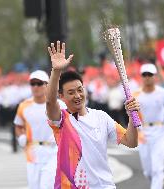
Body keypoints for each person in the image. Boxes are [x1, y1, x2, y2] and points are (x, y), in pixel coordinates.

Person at [46, 41, 139, 189]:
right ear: (61, 96)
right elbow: (50, 102)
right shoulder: (62, 120)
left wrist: (131, 117)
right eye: (71, 92)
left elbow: (131, 141)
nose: (77, 95)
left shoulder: (101, 117)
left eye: (79, 90)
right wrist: (56, 71)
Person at [13, 70, 66, 189]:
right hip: (33, 152)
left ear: (47, 85)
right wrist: (21, 136)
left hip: (53, 151)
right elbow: (18, 125)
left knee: (47, 185)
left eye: (39, 83)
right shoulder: (24, 106)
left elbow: (70, 125)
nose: (35, 86)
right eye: (33, 83)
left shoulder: (60, 105)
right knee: (34, 186)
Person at [133, 63, 164, 189]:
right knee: (148, 171)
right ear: (141, 77)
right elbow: (133, 113)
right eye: (144, 75)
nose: (147, 77)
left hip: (159, 131)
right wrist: (138, 130)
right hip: (143, 132)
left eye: (150, 74)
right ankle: (156, 184)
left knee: (157, 168)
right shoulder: (135, 95)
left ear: (155, 76)